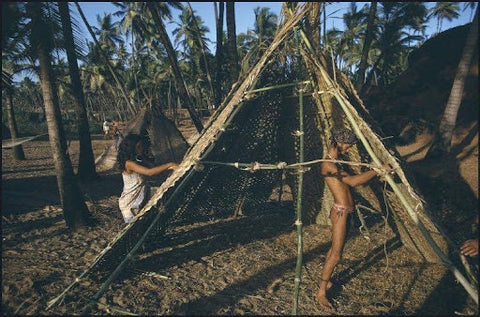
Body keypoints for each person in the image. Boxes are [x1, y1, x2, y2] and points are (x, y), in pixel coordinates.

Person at [316, 127, 393, 310]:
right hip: (341, 212)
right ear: (338, 142)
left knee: (334, 251)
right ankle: (321, 293)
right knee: (336, 255)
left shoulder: (336, 162)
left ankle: (325, 282)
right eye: (348, 146)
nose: (349, 149)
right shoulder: (328, 165)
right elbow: (352, 181)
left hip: (344, 211)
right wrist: (377, 170)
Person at [117, 133, 178, 223]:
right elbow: (149, 172)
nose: (140, 149)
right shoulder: (129, 163)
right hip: (130, 203)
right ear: (131, 147)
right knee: (135, 229)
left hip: (139, 199)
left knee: (144, 224)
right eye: (138, 147)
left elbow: (153, 167)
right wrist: (170, 165)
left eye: (141, 146)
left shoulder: (137, 159)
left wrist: (144, 159)